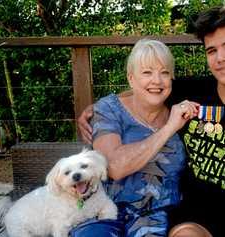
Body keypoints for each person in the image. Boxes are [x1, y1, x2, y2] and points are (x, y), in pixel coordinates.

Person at [78, 5, 225, 237]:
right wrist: (98, 108)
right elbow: (147, 88)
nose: (221, 58)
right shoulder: (191, 92)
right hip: (199, 218)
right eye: (212, 50)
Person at [74, 38, 199, 237]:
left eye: (164, 72)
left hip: (157, 215)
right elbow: (114, 167)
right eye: (147, 72)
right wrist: (168, 129)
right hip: (104, 210)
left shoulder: (183, 109)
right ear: (131, 78)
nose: (157, 80)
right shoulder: (109, 109)